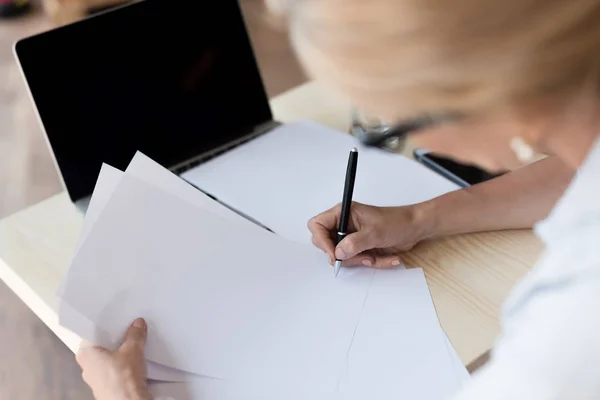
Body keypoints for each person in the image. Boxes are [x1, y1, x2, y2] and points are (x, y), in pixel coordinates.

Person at [76, 0, 600, 398]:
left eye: (396, 122)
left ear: (486, 89)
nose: (422, 147)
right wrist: (420, 216)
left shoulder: (571, 326)